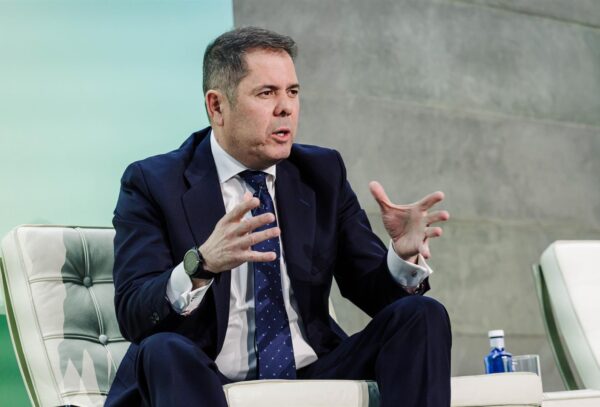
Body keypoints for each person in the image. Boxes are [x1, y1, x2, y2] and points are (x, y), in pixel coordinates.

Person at [106, 26, 451, 407]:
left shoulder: (321, 173)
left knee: (422, 314)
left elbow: (374, 294)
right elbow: (135, 314)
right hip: (204, 375)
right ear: (217, 106)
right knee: (163, 349)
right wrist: (201, 264)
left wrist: (400, 257)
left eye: (293, 92)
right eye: (266, 93)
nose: (286, 107)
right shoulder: (154, 182)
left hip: (312, 370)